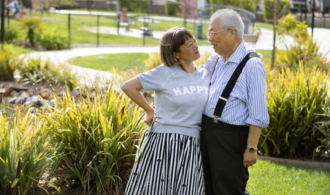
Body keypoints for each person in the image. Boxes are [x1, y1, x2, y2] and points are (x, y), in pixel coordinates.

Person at [122, 27, 210, 195]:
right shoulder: (164, 72)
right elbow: (128, 87)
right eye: (188, 44)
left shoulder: (205, 75)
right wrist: (149, 110)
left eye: (194, 41)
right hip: (163, 143)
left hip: (191, 144)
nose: (195, 46)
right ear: (176, 53)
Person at [201, 9, 270, 195]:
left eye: (213, 33)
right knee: (207, 188)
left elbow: (258, 113)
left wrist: (251, 148)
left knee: (229, 190)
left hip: (230, 138)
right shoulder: (214, 60)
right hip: (207, 132)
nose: (209, 38)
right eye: (209, 33)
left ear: (232, 32)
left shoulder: (251, 64)